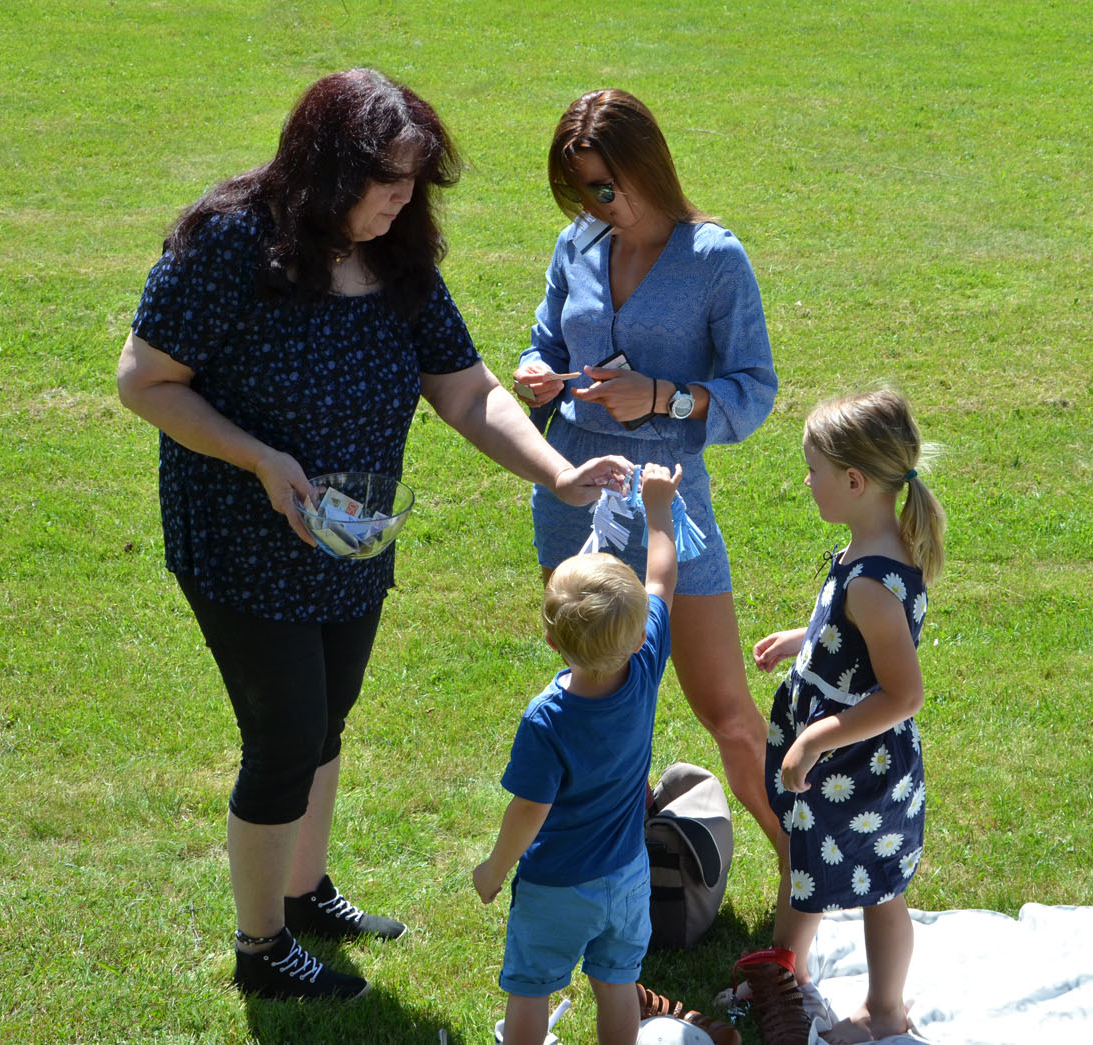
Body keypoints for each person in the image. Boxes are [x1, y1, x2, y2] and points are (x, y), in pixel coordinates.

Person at [116, 68, 631, 1001]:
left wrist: (557, 469)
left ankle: (305, 891)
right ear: (323, 171)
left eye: (414, 182)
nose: (402, 199)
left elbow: (466, 389)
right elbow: (145, 381)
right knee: (284, 735)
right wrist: (260, 457)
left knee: (329, 718)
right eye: (385, 180)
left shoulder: (397, 255)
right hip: (240, 536)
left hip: (349, 540)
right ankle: (261, 946)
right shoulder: (231, 244)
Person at [511, 88, 782, 849]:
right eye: (579, 192)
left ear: (646, 167)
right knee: (595, 699)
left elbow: (753, 389)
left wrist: (664, 396)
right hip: (570, 488)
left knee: (726, 710)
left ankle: (806, 870)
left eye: (605, 186)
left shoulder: (714, 259)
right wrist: (538, 372)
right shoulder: (578, 242)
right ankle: (617, 873)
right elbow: (545, 341)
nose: (595, 206)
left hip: (669, 499)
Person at [750, 390, 947, 1043]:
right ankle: (787, 974)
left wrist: (814, 738)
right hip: (841, 756)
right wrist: (798, 640)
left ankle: (884, 1011)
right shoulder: (871, 554)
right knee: (802, 857)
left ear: (854, 481)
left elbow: (901, 693)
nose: (806, 483)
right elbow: (850, 639)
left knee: (879, 885)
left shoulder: (869, 579)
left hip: (856, 765)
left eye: (814, 471)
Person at [473, 462, 684, 1045]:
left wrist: (495, 870)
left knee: (531, 989)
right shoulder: (644, 666)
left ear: (549, 638)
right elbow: (663, 576)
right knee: (617, 984)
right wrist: (659, 508)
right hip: (628, 877)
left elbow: (527, 811)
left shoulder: (547, 720)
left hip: (556, 887)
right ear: (641, 634)